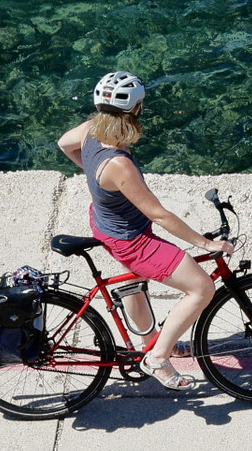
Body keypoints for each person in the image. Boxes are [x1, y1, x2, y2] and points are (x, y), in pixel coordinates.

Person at [55, 72, 233, 390]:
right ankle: (157, 359)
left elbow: (63, 144)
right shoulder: (119, 166)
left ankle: (150, 341)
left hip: (105, 222)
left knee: (133, 284)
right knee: (202, 288)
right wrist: (206, 243)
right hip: (132, 240)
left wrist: (92, 173)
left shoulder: (91, 130)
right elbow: (159, 215)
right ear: (135, 109)